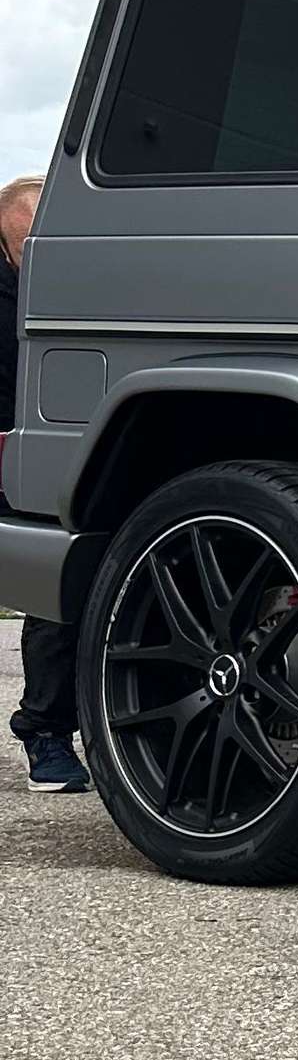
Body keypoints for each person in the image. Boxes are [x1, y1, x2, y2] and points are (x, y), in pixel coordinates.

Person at [0, 175, 85, 792]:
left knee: (54, 595)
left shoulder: (81, 281)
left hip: (50, 454)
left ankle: (47, 736)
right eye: (32, 241)